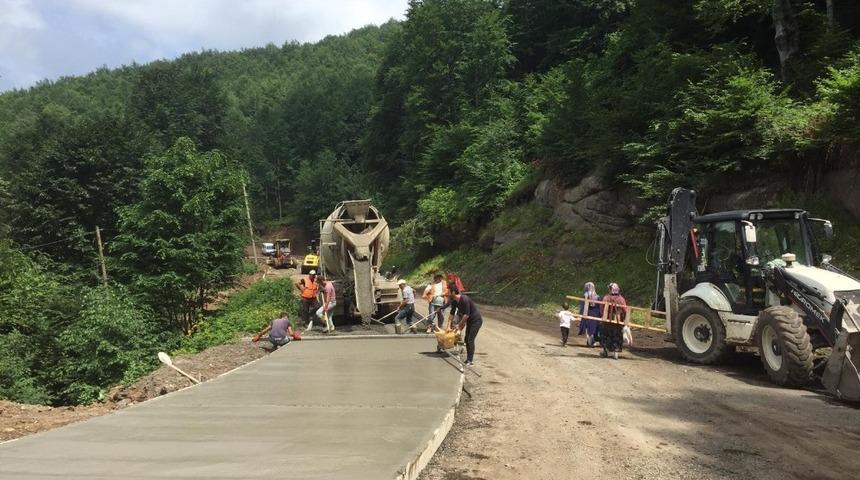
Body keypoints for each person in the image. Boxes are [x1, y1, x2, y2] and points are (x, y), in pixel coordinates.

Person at [447, 286, 483, 366]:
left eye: (449, 292)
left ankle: (470, 361)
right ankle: (468, 359)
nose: (447, 294)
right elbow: (452, 313)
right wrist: (448, 326)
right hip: (469, 321)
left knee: (470, 339)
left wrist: (459, 326)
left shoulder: (464, 299)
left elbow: (466, 315)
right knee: (466, 339)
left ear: (453, 292)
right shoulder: (454, 301)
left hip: (476, 321)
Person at [600, 283, 629, 359]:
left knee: (606, 335)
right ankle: (616, 352)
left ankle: (605, 350)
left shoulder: (606, 298)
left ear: (610, 289)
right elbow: (625, 310)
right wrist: (625, 319)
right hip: (617, 321)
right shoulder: (621, 299)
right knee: (617, 336)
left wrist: (602, 317)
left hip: (607, 320)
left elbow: (602, 308)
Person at [577, 282, 601, 347]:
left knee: (587, 327)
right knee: (593, 327)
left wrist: (580, 314)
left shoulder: (585, 295)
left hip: (587, 312)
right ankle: (592, 339)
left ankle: (589, 340)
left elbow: (582, 305)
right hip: (595, 313)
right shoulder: (597, 296)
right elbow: (599, 306)